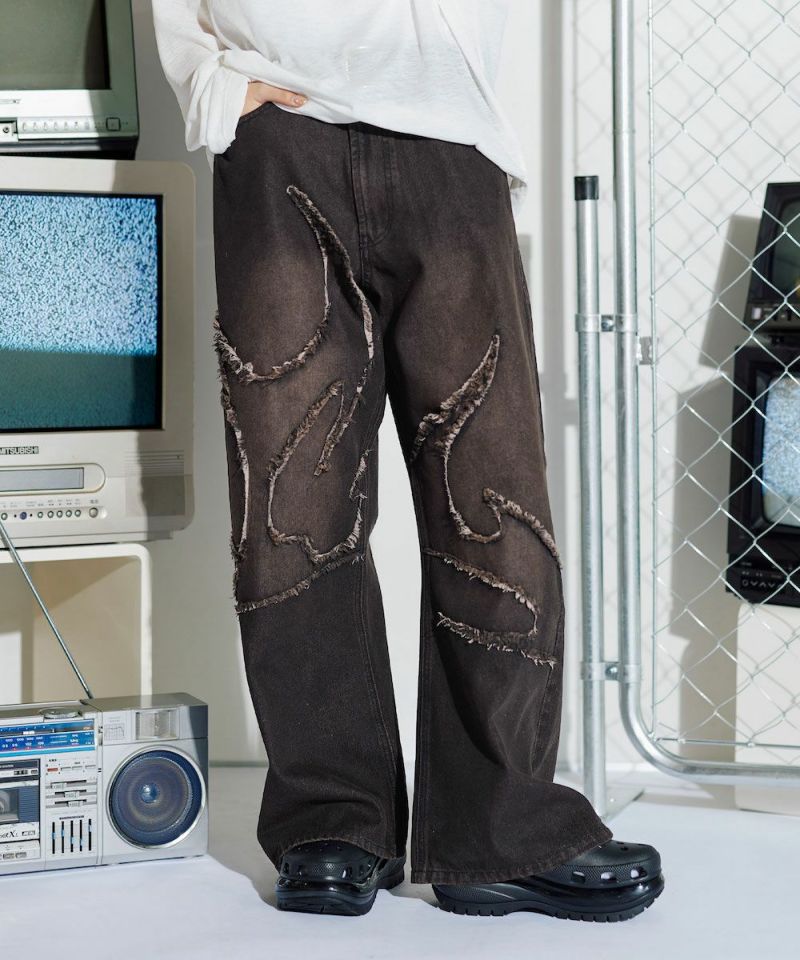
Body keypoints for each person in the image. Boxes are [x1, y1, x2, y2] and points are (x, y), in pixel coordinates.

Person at [152, 0, 664, 921]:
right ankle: (333, 820)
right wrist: (212, 88)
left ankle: (500, 829)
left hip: (448, 141)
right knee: (291, 511)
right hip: (281, 137)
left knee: (493, 494)